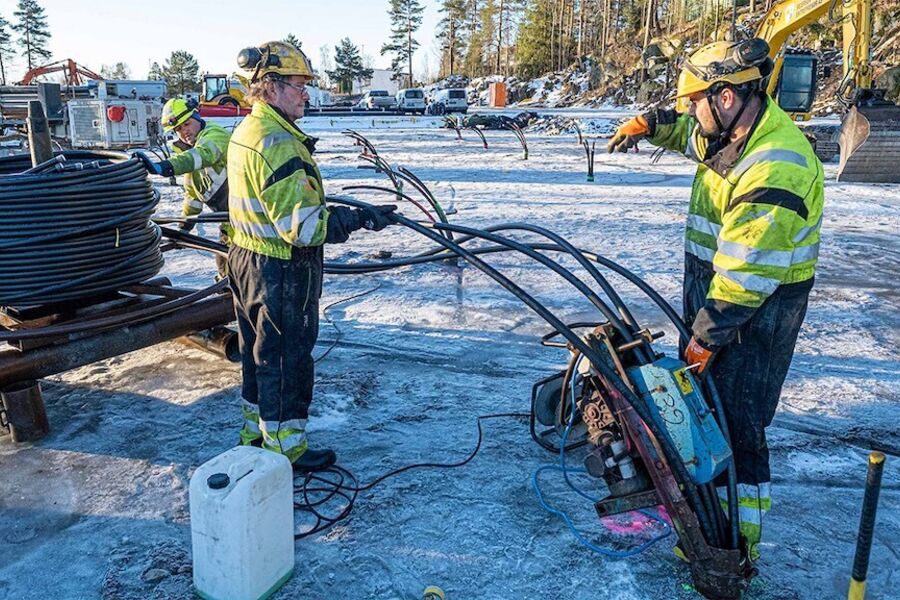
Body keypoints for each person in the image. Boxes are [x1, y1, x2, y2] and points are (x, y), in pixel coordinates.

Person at [607, 38, 824, 560]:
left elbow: (745, 278)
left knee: (738, 422)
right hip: (718, 293)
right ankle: (702, 505)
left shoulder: (777, 165)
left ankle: (735, 543)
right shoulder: (730, 132)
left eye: (693, 100)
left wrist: (705, 339)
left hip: (755, 311)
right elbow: (691, 132)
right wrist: (651, 123)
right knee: (706, 410)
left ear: (725, 97)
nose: (688, 111)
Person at [227, 40, 397, 472]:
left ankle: (254, 434)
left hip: (245, 259)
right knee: (286, 361)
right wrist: (357, 219)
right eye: (300, 85)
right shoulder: (279, 143)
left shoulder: (246, 131)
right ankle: (285, 451)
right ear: (270, 86)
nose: (307, 94)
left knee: (256, 355)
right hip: (281, 269)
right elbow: (303, 229)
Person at [136, 98, 232, 275]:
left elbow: (205, 154)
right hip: (230, 227)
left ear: (197, 116)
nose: (184, 132)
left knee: (243, 278)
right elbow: (193, 198)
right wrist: (184, 228)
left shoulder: (214, 136)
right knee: (224, 272)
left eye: (187, 124)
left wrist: (165, 166)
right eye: (178, 129)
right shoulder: (190, 157)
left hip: (250, 226)